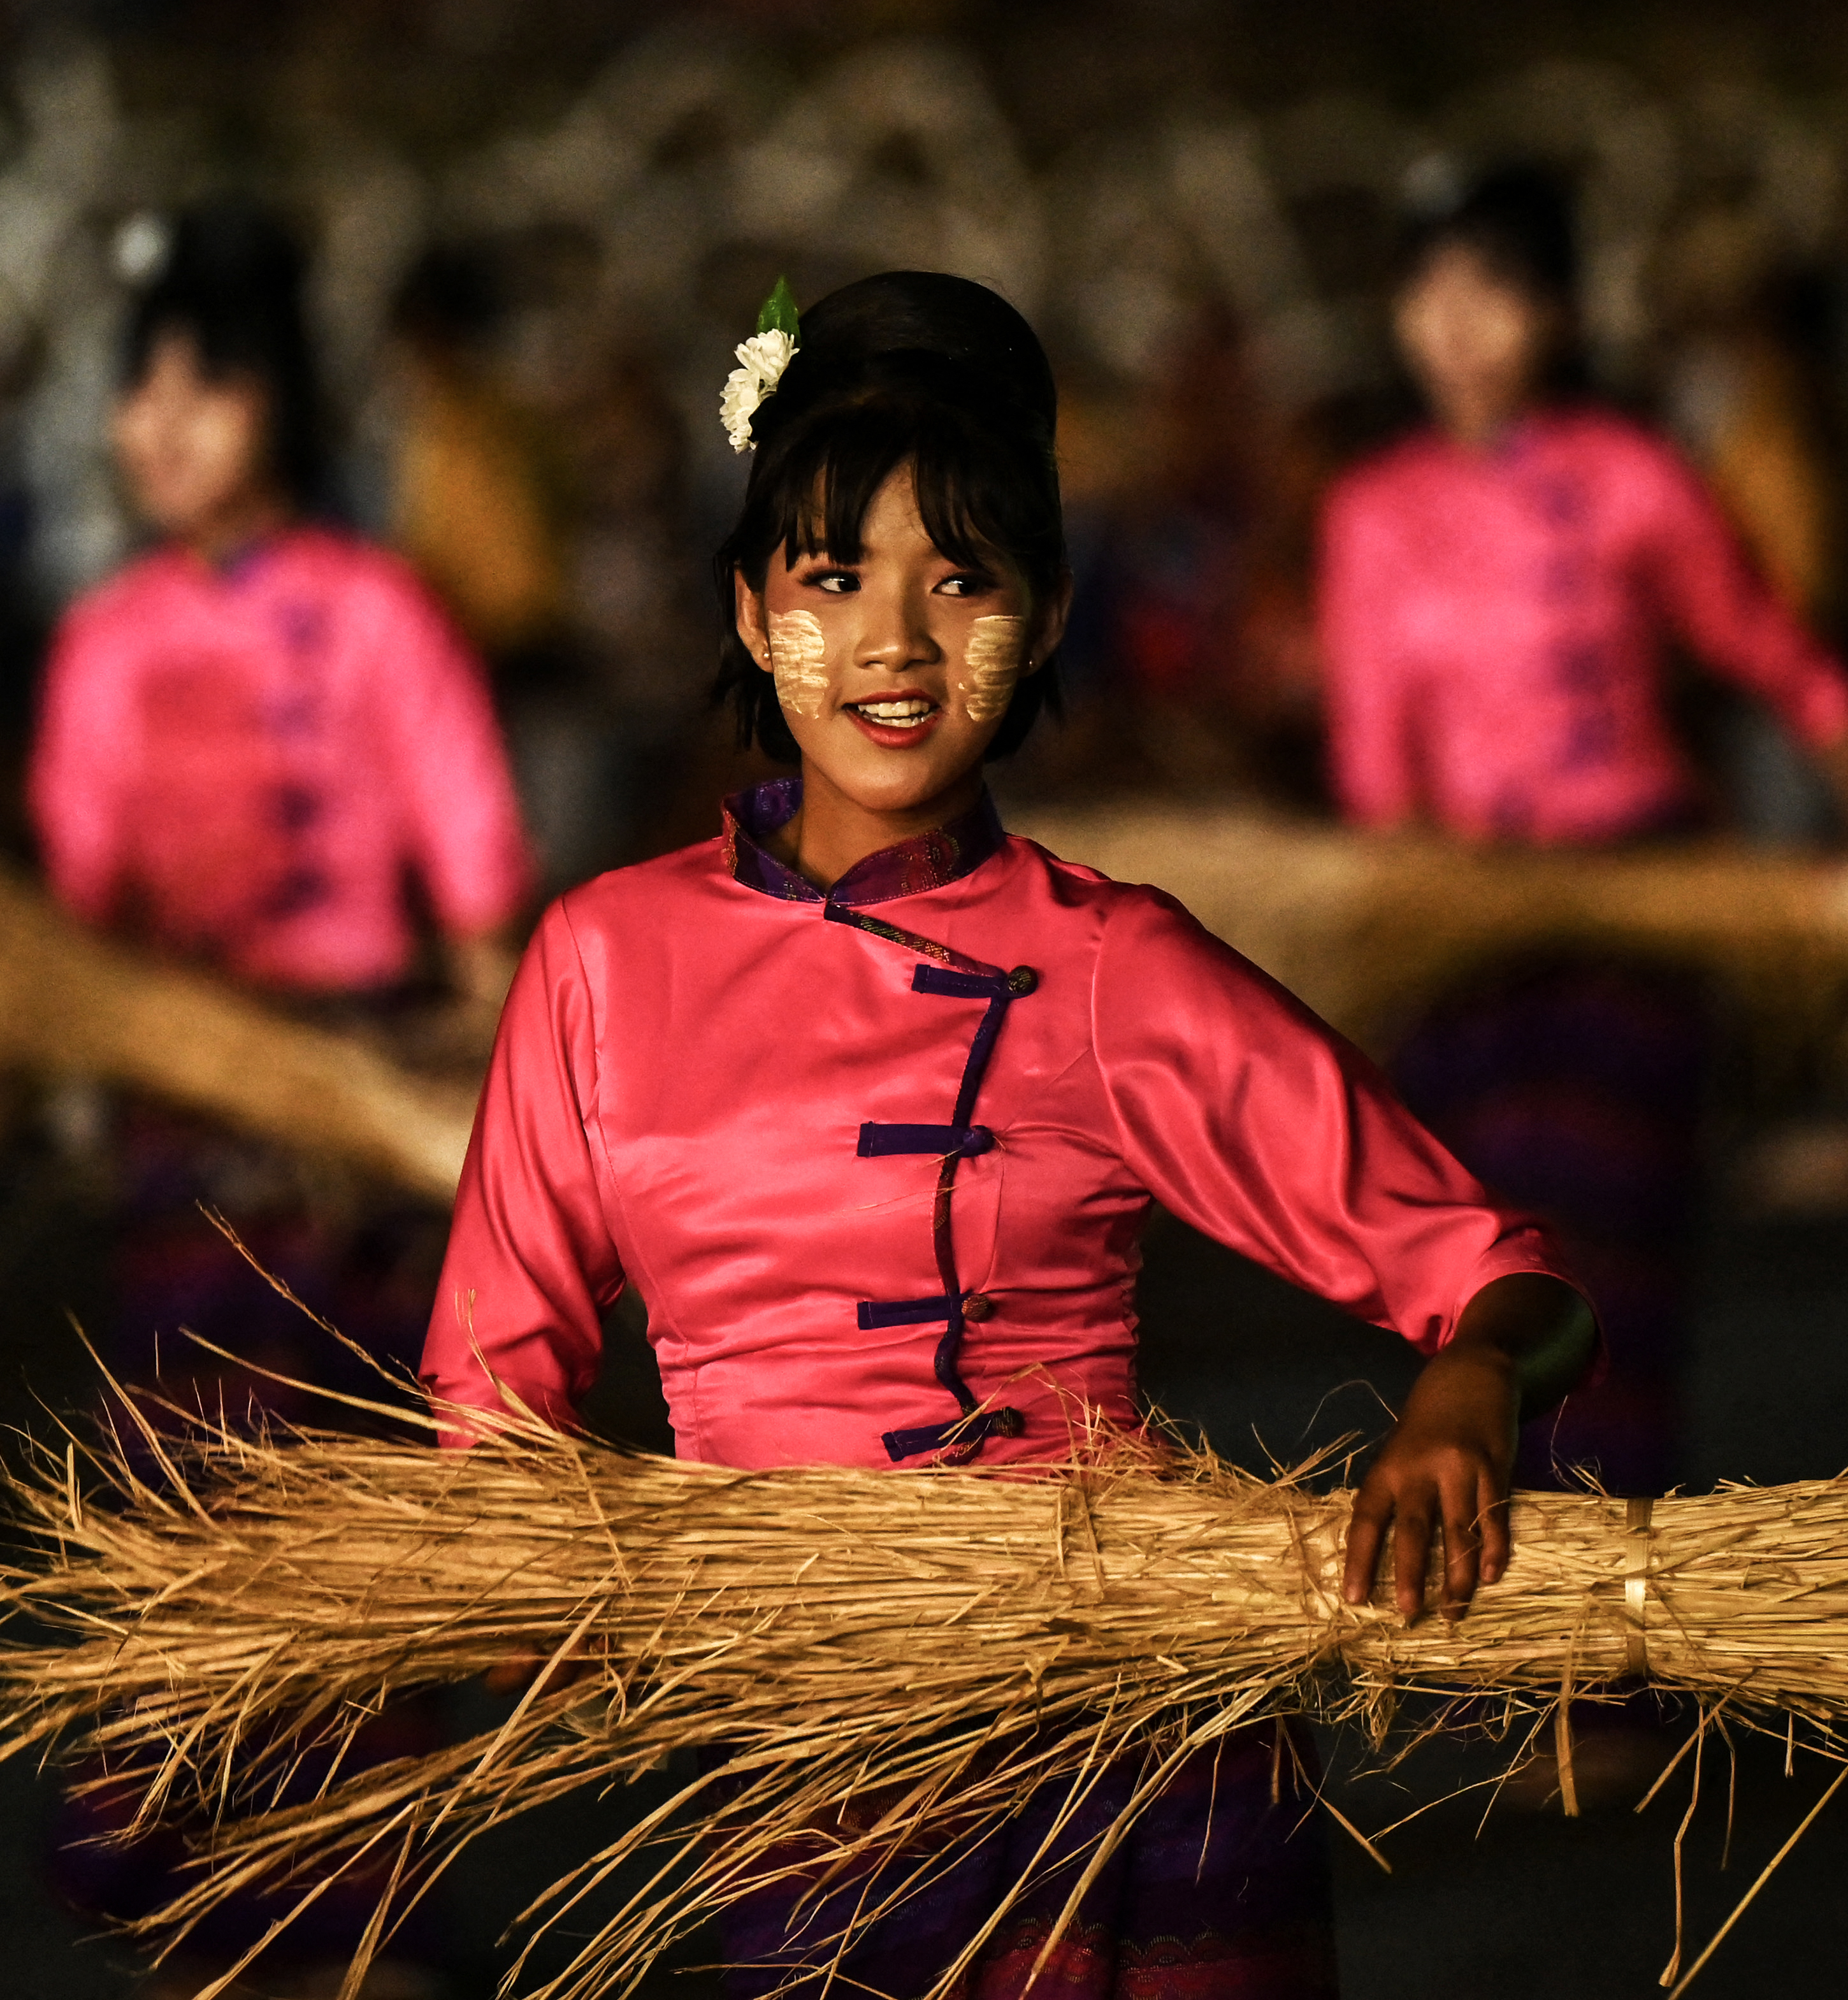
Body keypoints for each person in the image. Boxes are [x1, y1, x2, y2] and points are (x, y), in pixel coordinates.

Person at [422, 271, 1598, 1998]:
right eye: (832, 578)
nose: (894, 645)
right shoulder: (600, 961)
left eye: (957, 579)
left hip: (1148, 1748)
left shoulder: (1114, 963)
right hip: (817, 1769)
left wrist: (1468, 1386)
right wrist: (550, 1591)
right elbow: (484, 1404)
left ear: (1041, 619)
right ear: (750, 613)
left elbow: (1504, 1270)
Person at [29, 198, 531, 1995]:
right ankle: (227, 1878)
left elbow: (473, 863)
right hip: (192, 1118)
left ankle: (350, 1903)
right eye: (135, 387)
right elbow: (77, 908)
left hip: (366, 1111)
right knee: (199, 1501)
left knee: (358, 1519)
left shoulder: (381, 611)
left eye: (204, 385)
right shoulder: (100, 642)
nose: (157, 423)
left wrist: (488, 1080)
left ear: (285, 408)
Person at [1317, 166, 1848, 1504]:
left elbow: (1773, 652)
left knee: (1609, 1275)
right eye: (1427, 290)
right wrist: (1382, 949)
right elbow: (1368, 760)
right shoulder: (1371, 513)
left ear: (1560, 314)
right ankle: (1511, 1611)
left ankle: (1615, 1612)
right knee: (1483, 1284)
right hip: (1462, 945)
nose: (1454, 324)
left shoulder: (1633, 477)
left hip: (1637, 921)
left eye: (1493, 289)